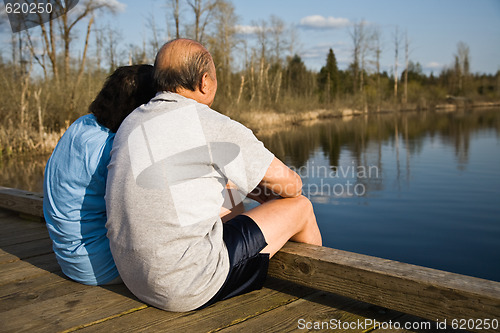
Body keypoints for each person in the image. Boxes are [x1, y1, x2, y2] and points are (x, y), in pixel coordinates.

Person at [105, 39, 322, 311]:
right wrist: (274, 201)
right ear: (205, 82)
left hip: (136, 279)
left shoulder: (132, 122)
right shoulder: (211, 124)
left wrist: (253, 187)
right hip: (187, 286)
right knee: (300, 207)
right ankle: (320, 293)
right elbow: (293, 185)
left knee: (229, 186)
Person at [43, 65, 156, 286]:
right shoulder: (116, 148)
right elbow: (144, 213)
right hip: (100, 266)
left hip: (69, 257)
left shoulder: (82, 124)